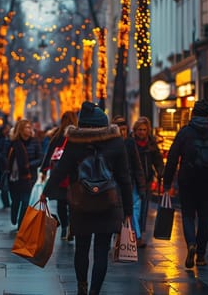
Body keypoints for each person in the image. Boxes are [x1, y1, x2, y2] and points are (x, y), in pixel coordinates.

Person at [41, 101, 133, 295]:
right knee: (101, 251)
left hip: (80, 203)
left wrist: (45, 192)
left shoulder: (75, 142)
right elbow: (125, 178)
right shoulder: (116, 142)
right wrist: (128, 211)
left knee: (81, 249)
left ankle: (81, 287)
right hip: (108, 203)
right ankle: (95, 292)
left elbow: (60, 171)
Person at [162, 99, 208, 268]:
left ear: (193, 114)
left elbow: (172, 157)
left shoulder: (185, 133)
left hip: (187, 180)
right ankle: (201, 255)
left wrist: (167, 181)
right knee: (205, 217)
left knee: (188, 216)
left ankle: (191, 243)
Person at [40, 111, 78, 240]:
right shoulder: (77, 136)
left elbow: (49, 152)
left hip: (59, 175)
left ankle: (64, 227)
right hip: (73, 176)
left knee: (61, 203)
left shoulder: (57, 136)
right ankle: (71, 226)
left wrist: (44, 170)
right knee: (72, 203)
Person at [112, 115, 147, 247]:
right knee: (120, 211)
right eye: (120, 130)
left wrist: (141, 185)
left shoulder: (130, 143)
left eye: (125, 130)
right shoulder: (111, 144)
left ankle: (135, 237)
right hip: (116, 184)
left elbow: (137, 165)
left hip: (130, 182)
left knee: (133, 210)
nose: (123, 133)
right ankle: (122, 236)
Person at [8, 119, 43, 228]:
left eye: (30, 127)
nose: (29, 129)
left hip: (29, 176)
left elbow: (41, 158)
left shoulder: (35, 141)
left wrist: (29, 164)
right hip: (15, 177)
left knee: (25, 200)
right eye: (27, 127)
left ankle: (21, 224)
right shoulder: (14, 143)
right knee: (15, 200)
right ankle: (14, 214)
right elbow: (7, 158)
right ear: (21, 129)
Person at [132, 116, 164, 235]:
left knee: (144, 206)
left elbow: (157, 160)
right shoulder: (131, 143)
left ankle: (140, 231)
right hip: (133, 180)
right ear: (135, 130)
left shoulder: (151, 144)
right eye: (139, 129)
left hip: (146, 179)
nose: (141, 132)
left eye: (144, 129)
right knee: (135, 206)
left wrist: (160, 171)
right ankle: (136, 233)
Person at [0, 123, 12, 208]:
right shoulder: (1, 141)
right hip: (3, 165)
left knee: (8, 184)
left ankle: (7, 202)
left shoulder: (10, 140)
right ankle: (6, 202)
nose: (7, 131)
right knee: (4, 184)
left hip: (8, 165)